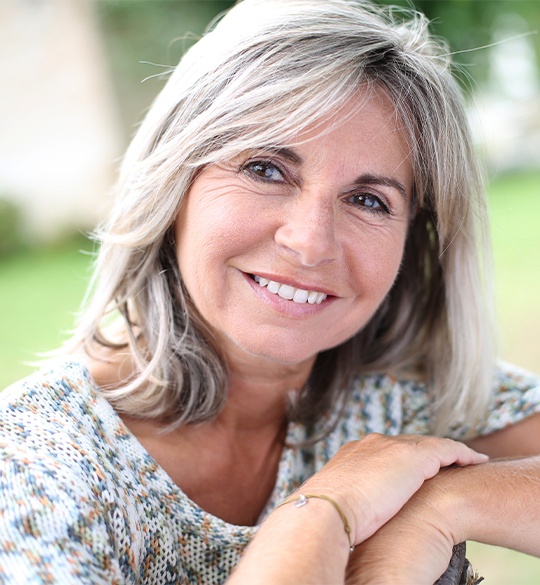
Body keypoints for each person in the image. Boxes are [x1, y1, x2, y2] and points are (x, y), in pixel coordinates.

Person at [1, 0, 539, 583]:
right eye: (265, 169)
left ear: (414, 245)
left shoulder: (396, 395)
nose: (310, 243)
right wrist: (325, 513)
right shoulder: (37, 459)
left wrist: (450, 502)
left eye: (367, 200)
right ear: (174, 182)